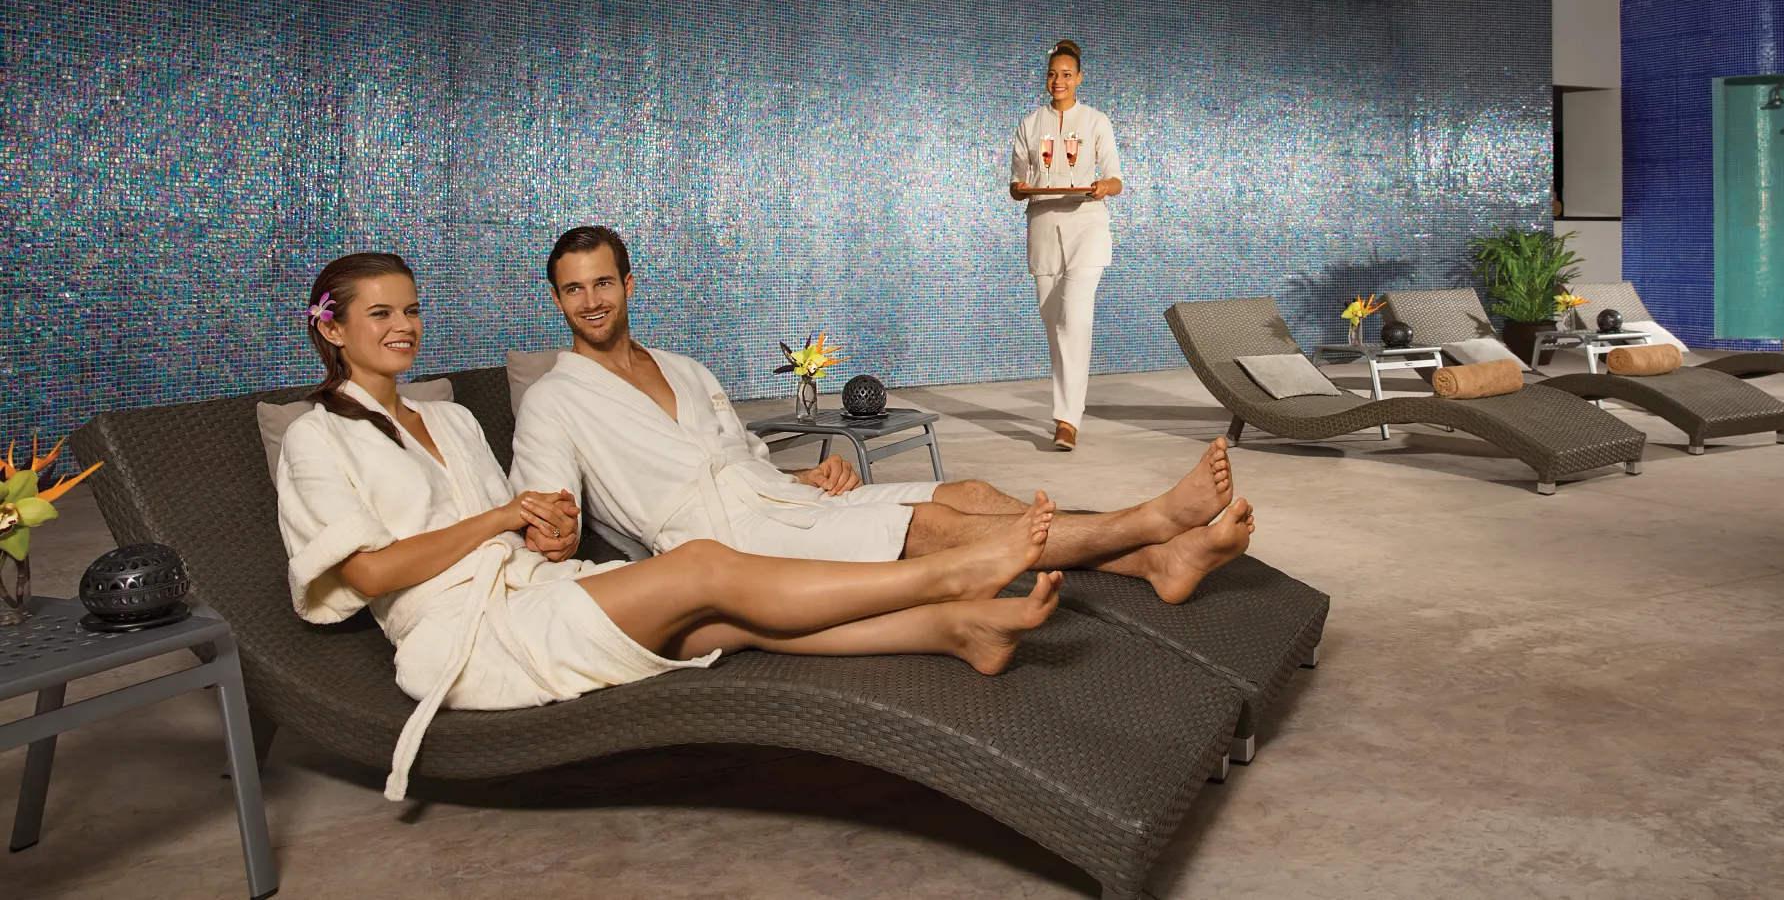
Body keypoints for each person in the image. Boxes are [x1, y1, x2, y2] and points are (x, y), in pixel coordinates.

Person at [275, 252, 1064, 803]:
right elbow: (369, 574)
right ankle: (946, 574)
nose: (404, 325)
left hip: (534, 592)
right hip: (469, 639)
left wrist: (542, 533)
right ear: (334, 329)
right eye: (380, 312)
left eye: (411, 307)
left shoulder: (449, 418)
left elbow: (514, 532)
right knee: (703, 567)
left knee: (729, 618)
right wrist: (503, 517)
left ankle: (955, 627)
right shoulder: (319, 434)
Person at [509, 227, 1255, 606]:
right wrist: (554, 538)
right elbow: (547, 514)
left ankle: (1157, 562)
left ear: (629, 282)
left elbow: (745, 456)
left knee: (965, 493)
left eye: (603, 281)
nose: (591, 300)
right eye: (573, 289)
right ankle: (1149, 523)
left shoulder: (684, 367)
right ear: (557, 299)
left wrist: (812, 468)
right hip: (726, 541)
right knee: (933, 530)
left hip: (778, 499)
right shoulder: (553, 400)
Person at [1008, 38, 1121, 451]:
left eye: (1067, 74)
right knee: (1055, 329)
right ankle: (1067, 413)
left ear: (1079, 78)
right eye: (1053, 74)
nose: (1059, 81)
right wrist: (1020, 188)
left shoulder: (1096, 122)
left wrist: (1102, 187)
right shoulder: (1029, 123)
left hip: (1086, 227)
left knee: (1075, 320)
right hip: (1043, 229)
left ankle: (1066, 421)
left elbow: (1115, 178)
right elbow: (1017, 178)